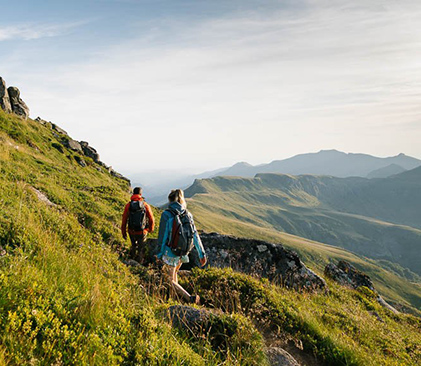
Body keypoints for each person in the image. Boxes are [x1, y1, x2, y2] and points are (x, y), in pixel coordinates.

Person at [157, 189, 207, 304]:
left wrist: (159, 253)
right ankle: (175, 300)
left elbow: (163, 236)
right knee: (174, 274)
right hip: (184, 252)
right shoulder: (188, 214)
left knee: (169, 280)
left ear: (170, 200)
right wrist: (202, 254)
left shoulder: (167, 214)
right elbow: (195, 235)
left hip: (171, 252)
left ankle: (190, 298)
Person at [121, 187, 155, 264]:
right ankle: (139, 263)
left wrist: (124, 232)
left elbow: (124, 220)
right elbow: (151, 219)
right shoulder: (145, 205)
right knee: (141, 248)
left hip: (131, 231)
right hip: (142, 231)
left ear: (133, 194)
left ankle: (132, 260)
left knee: (133, 245)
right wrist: (150, 229)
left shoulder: (128, 205)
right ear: (140, 194)